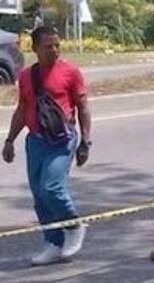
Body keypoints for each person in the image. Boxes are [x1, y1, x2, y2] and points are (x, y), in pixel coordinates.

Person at [2, 25, 91, 265]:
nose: (54, 50)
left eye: (57, 45)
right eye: (48, 46)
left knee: (52, 188)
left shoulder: (70, 72)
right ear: (35, 48)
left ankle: (73, 226)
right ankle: (53, 242)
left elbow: (82, 107)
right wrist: (10, 140)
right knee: (39, 196)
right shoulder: (27, 76)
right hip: (36, 141)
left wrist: (85, 142)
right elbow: (23, 109)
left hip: (62, 140)